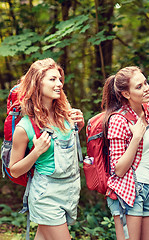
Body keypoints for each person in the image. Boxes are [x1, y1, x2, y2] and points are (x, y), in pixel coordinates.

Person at [9, 58, 84, 240]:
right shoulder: (25, 127)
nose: (59, 84)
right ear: (37, 83)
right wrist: (36, 152)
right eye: (52, 79)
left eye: (59, 79)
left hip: (70, 190)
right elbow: (14, 170)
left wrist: (78, 128)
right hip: (46, 194)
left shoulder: (66, 116)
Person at [102, 66, 149, 240]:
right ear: (126, 94)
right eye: (139, 86)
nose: (146, 88)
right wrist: (136, 138)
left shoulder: (148, 111)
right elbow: (118, 169)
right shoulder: (118, 120)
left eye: (145, 83)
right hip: (129, 191)